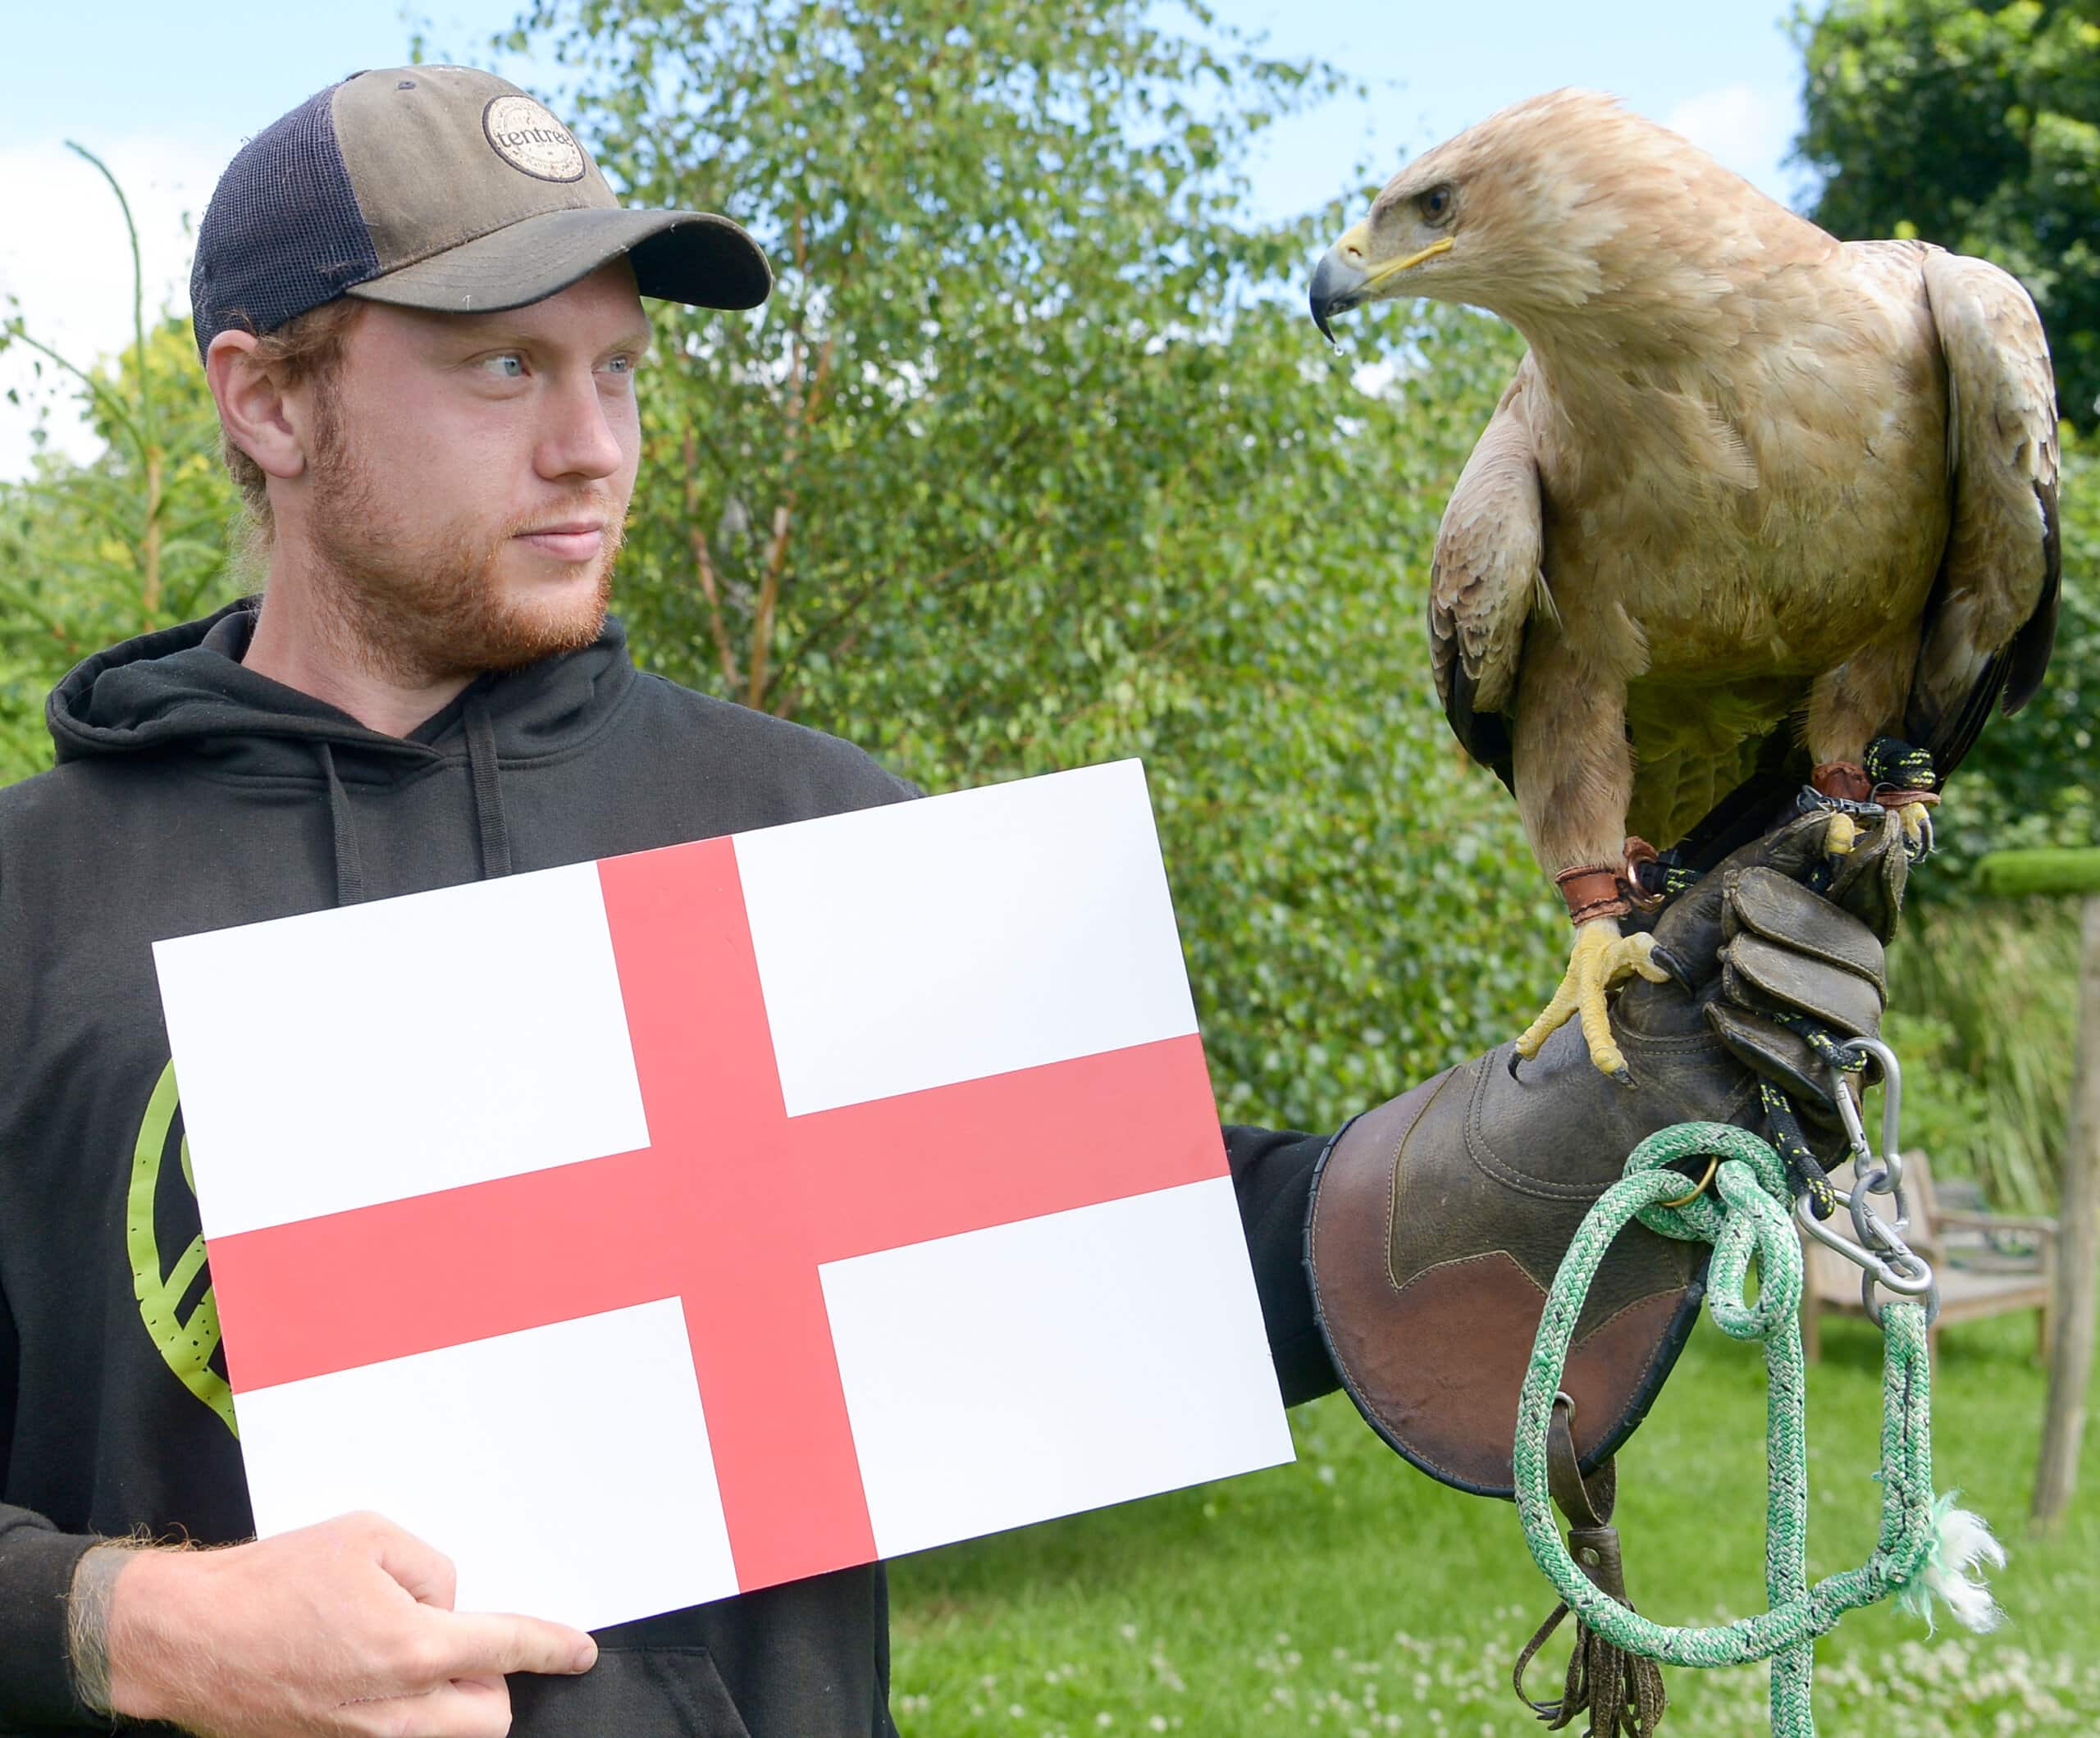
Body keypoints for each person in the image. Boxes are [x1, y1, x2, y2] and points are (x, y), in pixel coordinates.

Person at [0, 66, 1904, 1737]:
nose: (593, 445)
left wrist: (1563, 1136)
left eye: (619, 369)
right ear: (263, 400)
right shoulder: (34, 899)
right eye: (501, 365)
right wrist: (134, 1624)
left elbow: (1147, 1254)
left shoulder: (812, 838)